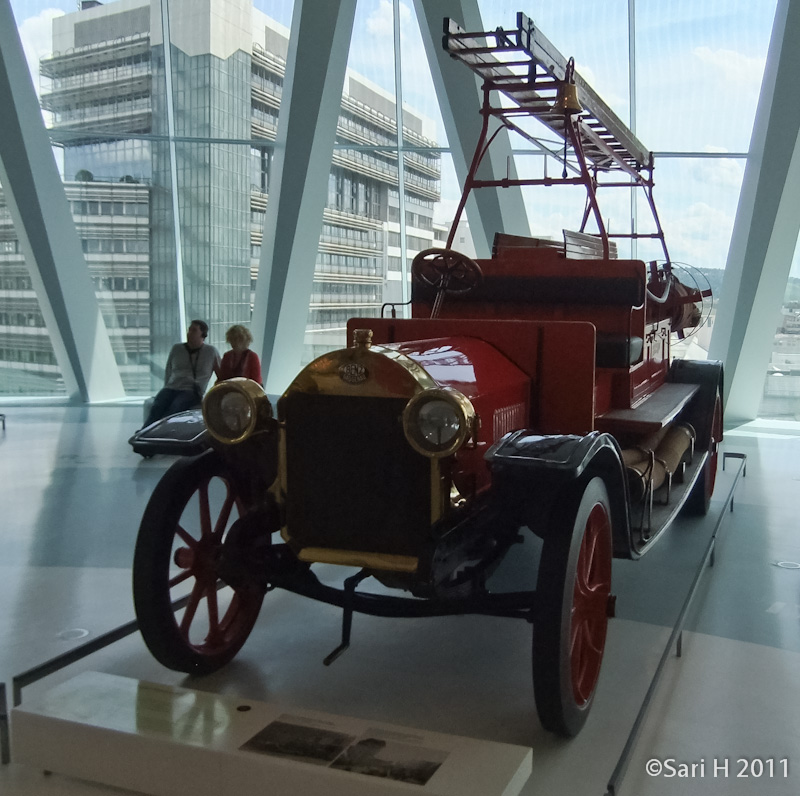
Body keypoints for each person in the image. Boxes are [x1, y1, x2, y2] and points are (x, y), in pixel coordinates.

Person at [143, 319, 221, 426]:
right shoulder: (177, 349)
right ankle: (145, 431)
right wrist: (167, 386)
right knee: (157, 406)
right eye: (189, 330)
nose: (189, 333)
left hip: (191, 390)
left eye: (194, 330)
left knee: (175, 408)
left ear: (203, 335)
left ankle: (163, 433)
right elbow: (169, 370)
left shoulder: (211, 351)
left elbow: (220, 373)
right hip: (172, 387)